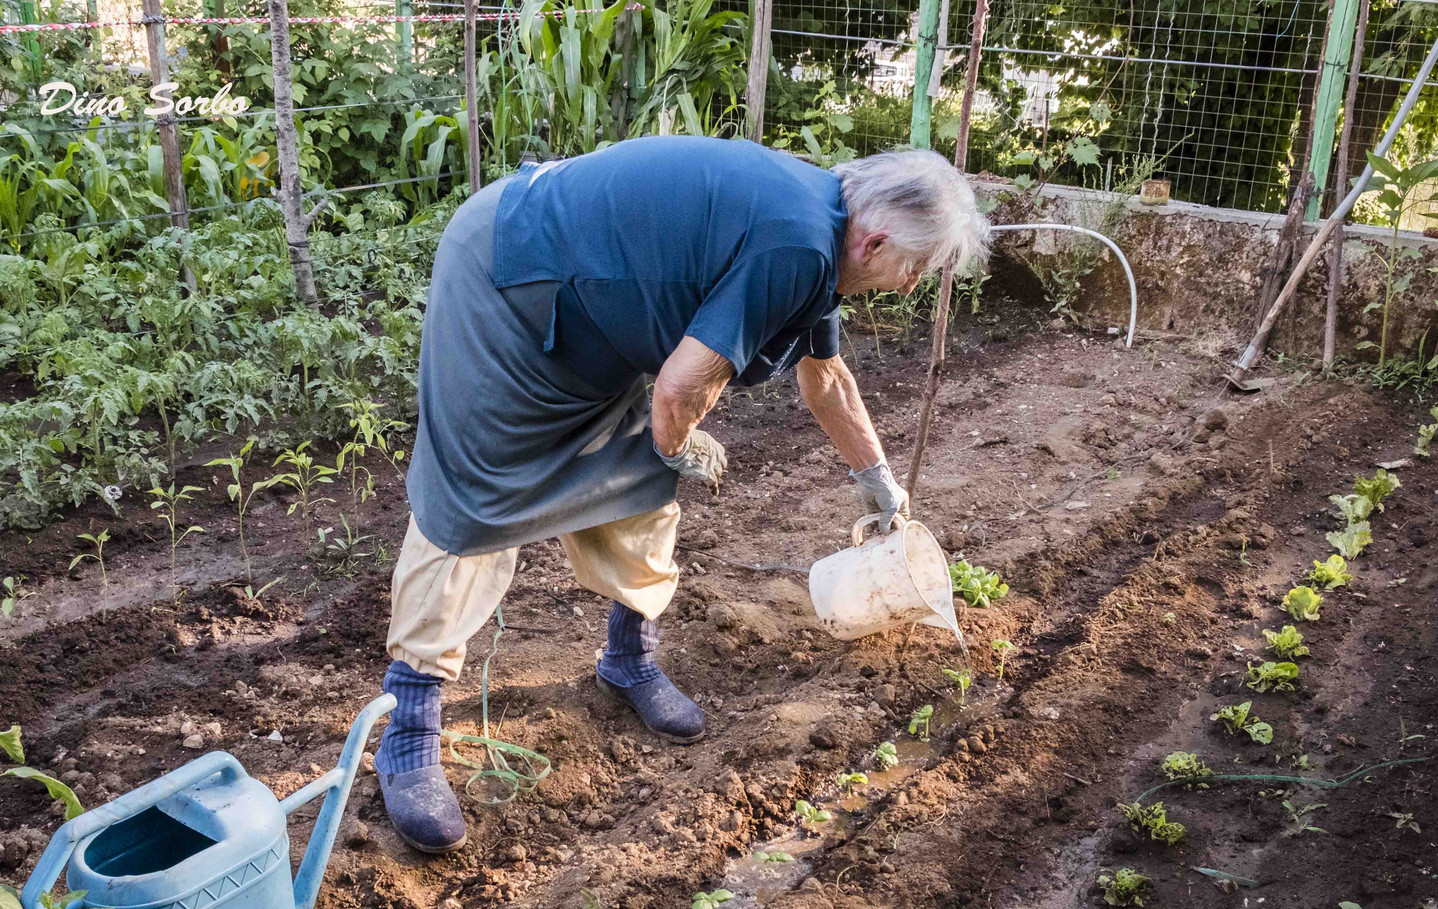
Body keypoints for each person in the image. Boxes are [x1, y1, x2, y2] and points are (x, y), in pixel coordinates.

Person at [377, 135, 990, 853]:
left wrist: (877, 483)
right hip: (510, 280)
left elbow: (825, 378)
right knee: (476, 503)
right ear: (877, 239)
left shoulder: (825, 233)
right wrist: (680, 442)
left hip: (594, 318)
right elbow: (677, 388)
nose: (911, 286)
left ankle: (628, 658)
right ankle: (410, 724)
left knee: (641, 482)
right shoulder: (799, 244)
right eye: (916, 268)